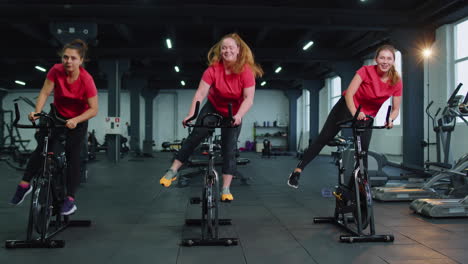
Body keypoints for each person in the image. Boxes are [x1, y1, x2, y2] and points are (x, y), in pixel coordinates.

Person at [159, 33, 263, 201]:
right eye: (224, 48)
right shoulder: (213, 70)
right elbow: (200, 93)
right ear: (220, 51)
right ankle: (173, 170)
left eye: (230, 47)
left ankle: (226, 189)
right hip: (213, 106)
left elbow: (249, 99)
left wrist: (238, 115)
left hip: (233, 112)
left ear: (238, 50)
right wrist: (191, 115)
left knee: (229, 149)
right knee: (195, 136)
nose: (227, 51)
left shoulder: (246, 72)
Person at [287, 44, 402, 188]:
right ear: (376, 60)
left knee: (363, 151)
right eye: (382, 58)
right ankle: (297, 171)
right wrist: (355, 113)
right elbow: (349, 94)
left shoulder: (396, 81)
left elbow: (396, 109)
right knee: (324, 138)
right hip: (347, 106)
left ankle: (359, 185)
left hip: (367, 116)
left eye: (389, 58)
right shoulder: (365, 71)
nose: (385, 61)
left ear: (393, 61)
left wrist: (391, 119)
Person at [10, 39, 98, 215]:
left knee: (73, 157)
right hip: (57, 116)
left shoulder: (86, 80)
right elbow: (44, 92)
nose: (68, 61)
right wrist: (37, 111)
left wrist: (76, 120)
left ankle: (70, 199)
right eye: (65, 57)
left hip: (78, 120)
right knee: (42, 148)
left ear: (81, 61)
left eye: (73, 58)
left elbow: (94, 110)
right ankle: (25, 184)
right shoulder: (55, 71)